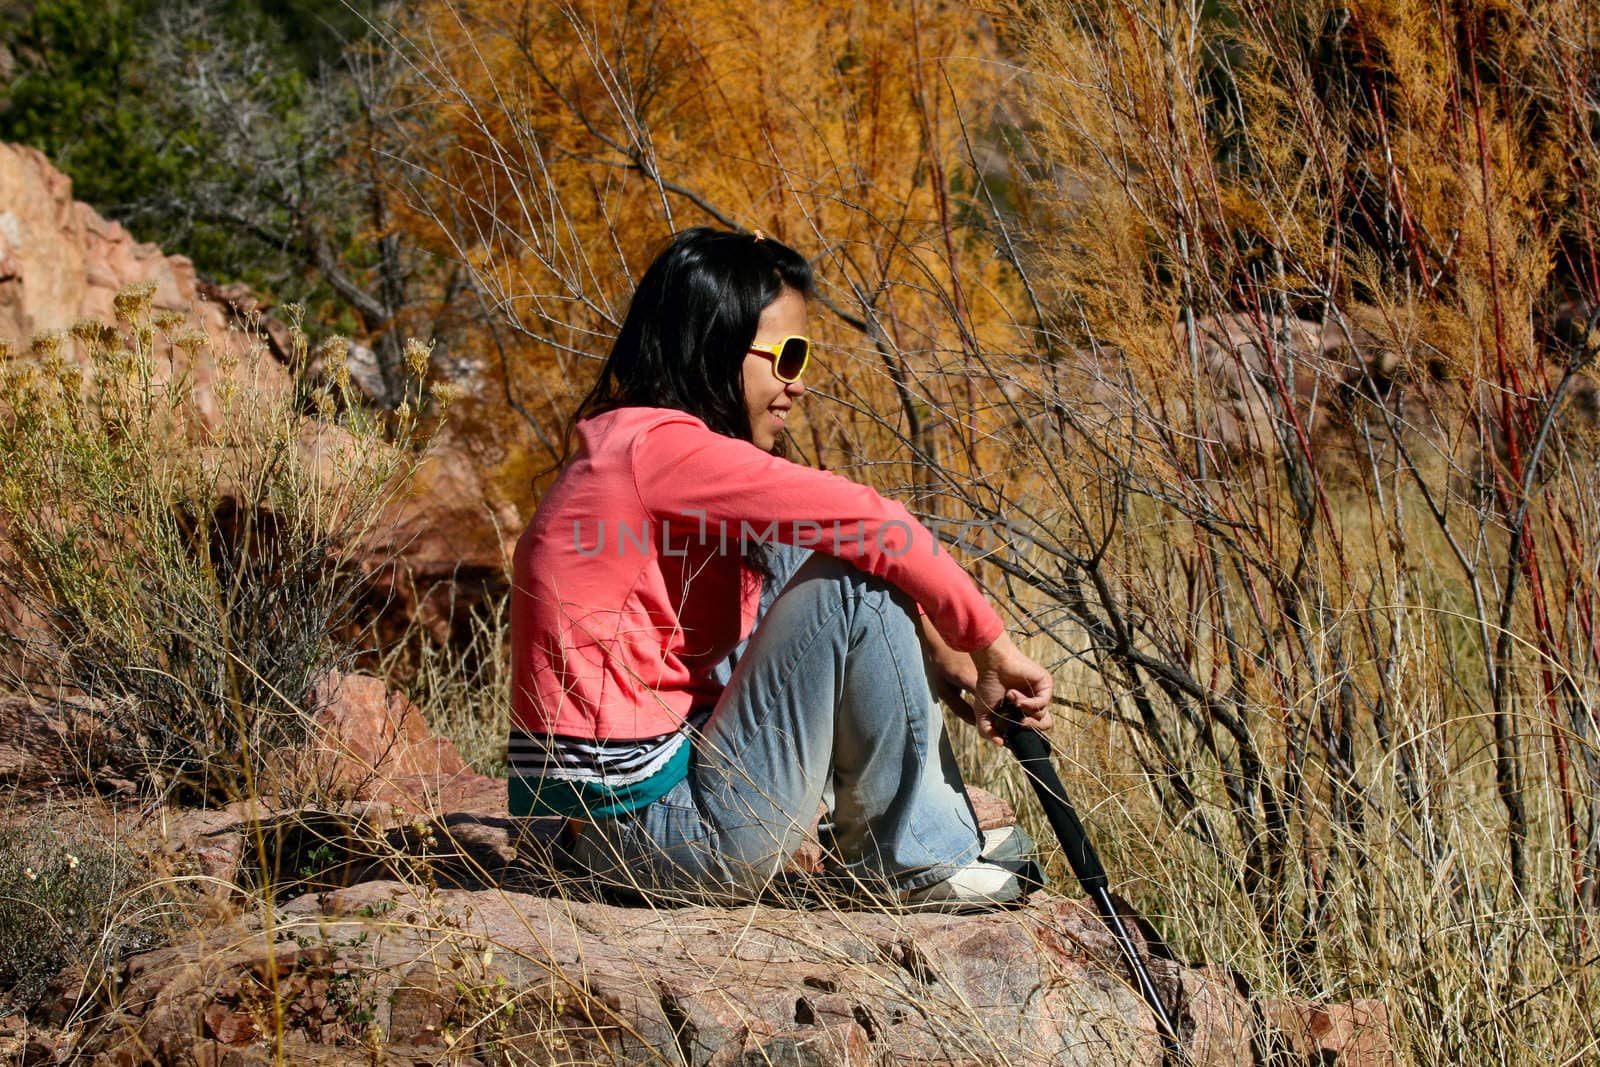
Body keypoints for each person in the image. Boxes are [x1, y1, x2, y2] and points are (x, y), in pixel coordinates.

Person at [508, 227, 1054, 910]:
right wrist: (990, 643)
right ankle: (914, 859)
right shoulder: (659, 454)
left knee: (811, 554)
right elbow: (875, 522)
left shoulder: (634, 451)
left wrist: (950, 660)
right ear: (714, 347)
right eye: (787, 355)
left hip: (608, 827)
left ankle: (914, 835)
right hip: (655, 834)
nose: (799, 382)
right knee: (853, 579)